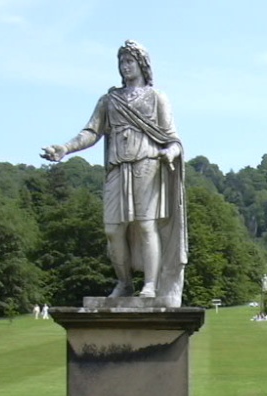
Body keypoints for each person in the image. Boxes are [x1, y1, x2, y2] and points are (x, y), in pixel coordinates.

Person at [41, 40, 187, 307]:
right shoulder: (109, 100)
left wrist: (170, 153)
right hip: (118, 167)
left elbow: (173, 139)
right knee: (113, 229)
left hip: (147, 164)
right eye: (121, 62)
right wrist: (65, 148)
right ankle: (124, 281)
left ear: (142, 64)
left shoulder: (157, 98)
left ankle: (150, 286)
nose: (125, 66)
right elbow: (91, 132)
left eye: (130, 61)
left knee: (146, 225)